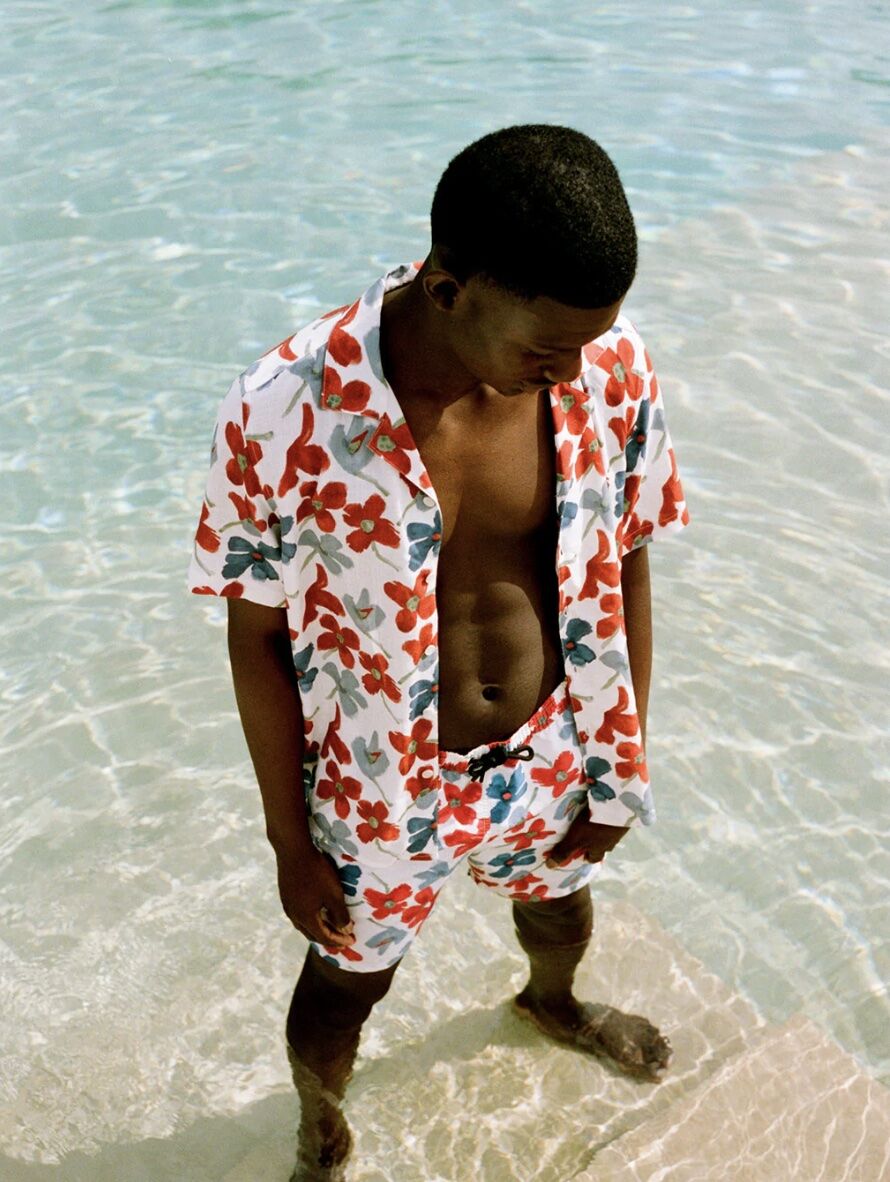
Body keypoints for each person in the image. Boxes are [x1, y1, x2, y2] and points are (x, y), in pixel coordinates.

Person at [187, 123, 690, 1181]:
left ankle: (548, 1002)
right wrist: (289, 838)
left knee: (556, 907)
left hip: (555, 747)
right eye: (546, 349)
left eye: (589, 342)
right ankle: (320, 1129)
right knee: (341, 987)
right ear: (450, 286)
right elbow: (257, 641)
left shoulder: (604, 369)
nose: (573, 369)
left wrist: (619, 759)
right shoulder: (281, 410)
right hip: (378, 789)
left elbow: (627, 560)